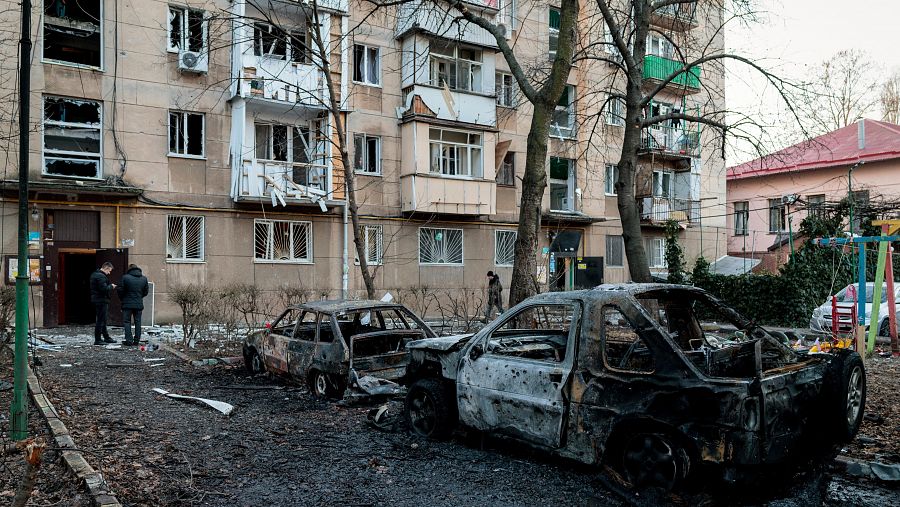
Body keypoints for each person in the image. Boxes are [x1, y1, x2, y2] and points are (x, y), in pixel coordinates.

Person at [117, 264, 149, 346]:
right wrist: (139, 297)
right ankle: (136, 341)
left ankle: (129, 340)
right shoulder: (144, 279)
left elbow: (120, 290)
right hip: (138, 304)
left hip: (127, 304)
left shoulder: (125, 277)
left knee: (127, 322)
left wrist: (123, 299)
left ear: (129, 269)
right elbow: (146, 292)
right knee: (138, 322)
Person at [89, 262, 116, 345]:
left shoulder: (95, 274)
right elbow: (103, 289)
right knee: (100, 320)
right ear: (106, 268)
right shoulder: (100, 276)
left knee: (102, 320)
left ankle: (106, 337)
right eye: (109, 271)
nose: (109, 273)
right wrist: (111, 286)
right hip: (101, 300)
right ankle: (98, 339)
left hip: (98, 299)